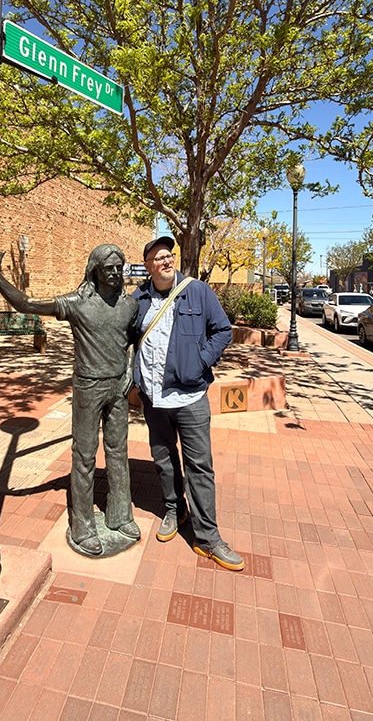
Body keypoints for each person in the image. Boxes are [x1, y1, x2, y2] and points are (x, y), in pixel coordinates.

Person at [0, 243, 140, 557]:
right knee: (84, 457)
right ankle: (83, 526)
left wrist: (129, 368)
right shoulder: (77, 303)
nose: (115, 274)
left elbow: (130, 339)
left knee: (118, 452)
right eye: (108, 268)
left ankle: (120, 515)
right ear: (94, 270)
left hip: (118, 387)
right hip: (88, 387)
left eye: (119, 268)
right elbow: (27, 304)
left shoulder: (129, 305)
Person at [132, 236, 245, 571]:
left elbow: (223, 331)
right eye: (159, 257)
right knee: (164, 460)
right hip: (154, 398)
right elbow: (125, 337)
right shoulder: (137, 299)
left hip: (191, 396)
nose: (167, 261)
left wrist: (200, 361)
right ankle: (174, 509)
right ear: (148, 266)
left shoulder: (197, 291)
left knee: (199, 466)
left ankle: (208, 537)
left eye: (169, 255)